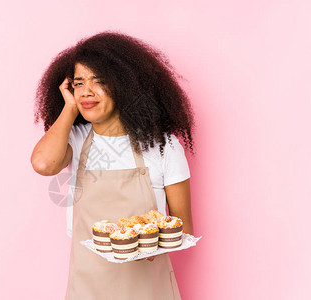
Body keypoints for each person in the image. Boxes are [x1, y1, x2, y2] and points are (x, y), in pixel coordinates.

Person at [31, 30, 195, 300]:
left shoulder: (164, 146)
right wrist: (70, 107)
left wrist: (147, 248)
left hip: (147, 287)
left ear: (123, 85)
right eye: (79, 83)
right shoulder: (75, 139)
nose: (87, 92)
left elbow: (183, 227)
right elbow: (43, 163)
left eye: (99, 81)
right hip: (88, 285)